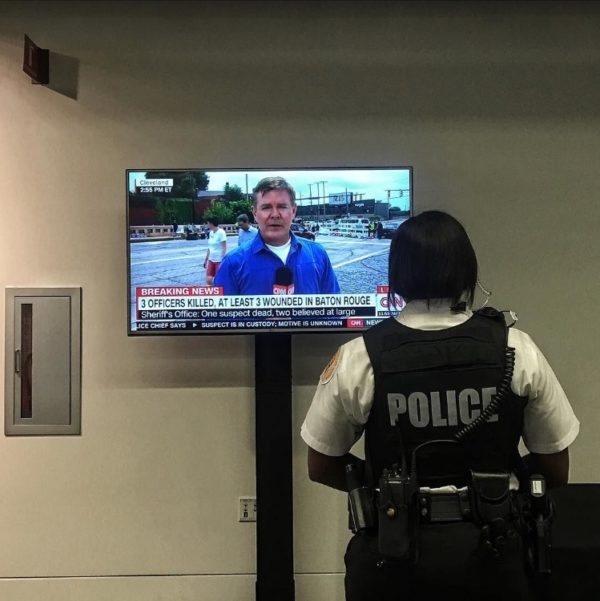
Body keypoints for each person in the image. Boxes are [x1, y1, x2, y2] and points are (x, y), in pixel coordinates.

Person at [301, 210, 579, 601]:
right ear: (468, 271)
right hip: (494, 554)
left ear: (396, 275)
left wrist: (386, 487)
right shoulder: (517, 349)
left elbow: (322, 463)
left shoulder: (359, 355)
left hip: (394, 556)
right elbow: (555, 466)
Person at [214, 176, 340, 295]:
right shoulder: (232, 263)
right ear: (255, 213)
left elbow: (336, 310)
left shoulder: (318, 255)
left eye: (282, 207)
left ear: (294, 211)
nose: (275, 214)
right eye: (266, 207)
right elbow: (218, 317)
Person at [203, 217, 227, 286]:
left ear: (212, 224)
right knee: (208, 279)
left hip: (219, 260)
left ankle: (219, 292)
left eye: (208, 224)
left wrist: (223, 260)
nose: (207, 225)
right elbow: (209, 247)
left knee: (219, 278)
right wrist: (206, 260)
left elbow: (224, 247)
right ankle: (213, 291)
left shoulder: (221, 232)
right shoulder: (211, 233)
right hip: (211, 259)